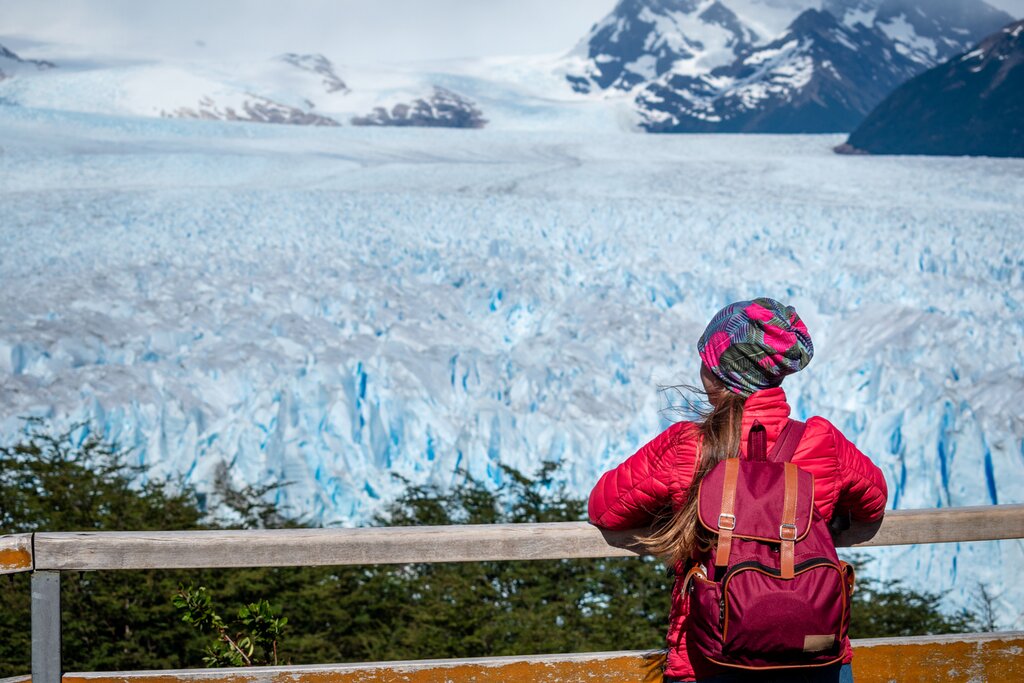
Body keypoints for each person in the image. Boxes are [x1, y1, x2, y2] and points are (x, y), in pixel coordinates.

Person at [588, 297, 887, 683]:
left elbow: (606, 507)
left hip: (708, 661)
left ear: (719, 373)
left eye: (706, 358)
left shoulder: (687, 447)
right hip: (814, 661)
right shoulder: (821, 442)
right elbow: (874, 502)